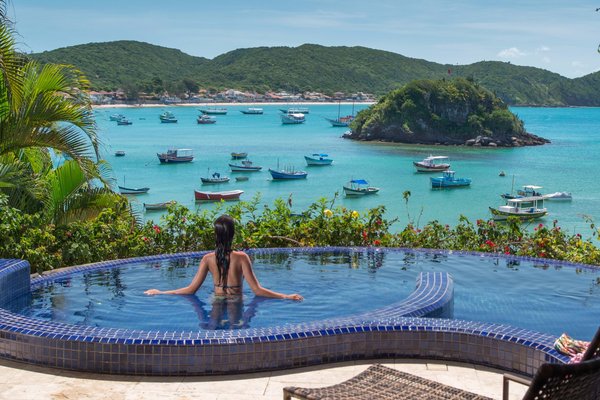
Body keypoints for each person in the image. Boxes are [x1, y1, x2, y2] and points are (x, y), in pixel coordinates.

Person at [144, 214, 303, 301]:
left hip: (216, 300)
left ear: (216, 235)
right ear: (233, 234)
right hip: (236, 301)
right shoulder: (242, 258)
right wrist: (286, 296)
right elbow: (257, 290)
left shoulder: (207, 259)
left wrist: (160, 292)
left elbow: (190, 290)